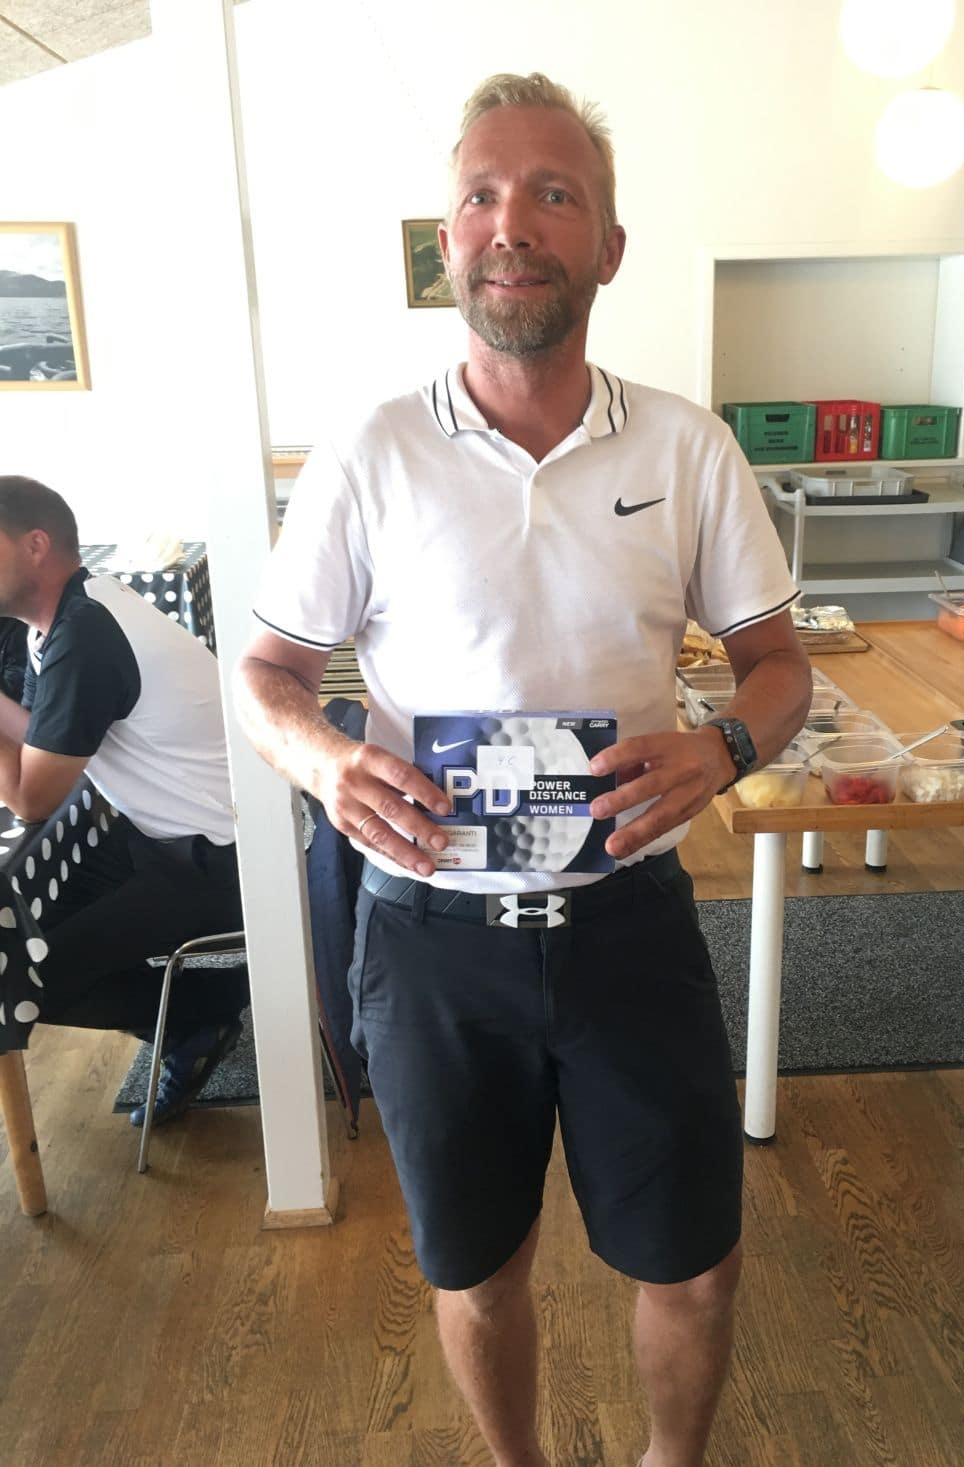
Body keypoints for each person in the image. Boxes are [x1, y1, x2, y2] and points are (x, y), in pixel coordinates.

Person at [235, 73, 812, 1467]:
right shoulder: (371, 451)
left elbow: (777, 665)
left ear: (607, 244)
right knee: (475, 1272)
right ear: (450, 242)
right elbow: (264, 672)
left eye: (554, 194)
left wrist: (725, 743)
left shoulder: (685, 445)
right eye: (482, 196)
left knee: (693, 1268)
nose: (513, 224)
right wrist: (324, 759)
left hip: (628, 926)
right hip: (432, 940)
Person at [0, 475, 248, 1127]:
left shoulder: (84, 636)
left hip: (227, 863)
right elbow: (45, 737)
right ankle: (202, 1008)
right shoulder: (76, 613)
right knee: (26, 930)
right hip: (169, 836)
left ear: (34, 545)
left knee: (19, 975)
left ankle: (204, 1010)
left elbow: (29, 797)